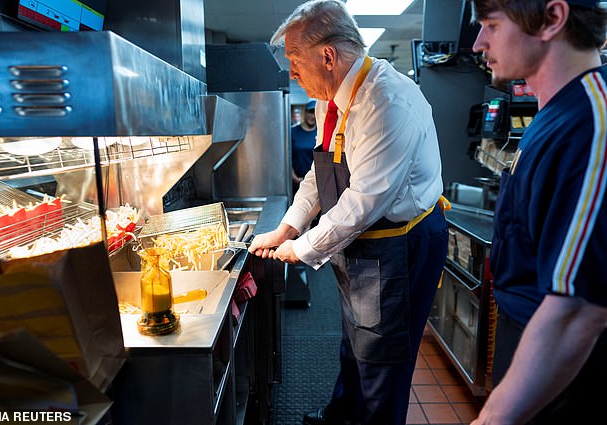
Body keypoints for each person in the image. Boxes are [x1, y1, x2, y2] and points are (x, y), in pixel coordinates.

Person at [248, 1, 449, 424]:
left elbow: (364, 202)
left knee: (382, 355)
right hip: (360, 240)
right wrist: (287, 228)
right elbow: (317, 176)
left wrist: (302, 249)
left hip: (398, 242)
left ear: (327, 55)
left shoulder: (386, 102)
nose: (292, 72)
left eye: (295, 59)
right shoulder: (329, 98)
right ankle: (342, 417)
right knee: (355, 339)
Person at [469, 1, 607, 424]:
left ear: (552, 18)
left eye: (491, 25)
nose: (478, 43)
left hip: (565, 372)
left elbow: (578, 309)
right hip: (531, 348)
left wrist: (492, 419)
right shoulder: (556, 113)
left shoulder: (592, 122)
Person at [291, 100, 318, 192]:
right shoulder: (293, 132)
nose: (313, 116)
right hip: (297, 181)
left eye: (315, 113)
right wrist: (294, 177)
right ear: (305, 113)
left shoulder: (321, 133)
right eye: (310, 112)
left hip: (316, 182)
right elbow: (287, 157)